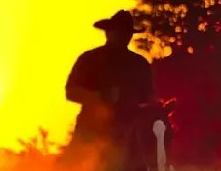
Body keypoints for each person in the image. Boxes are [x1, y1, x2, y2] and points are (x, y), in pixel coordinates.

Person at [65, 10, 154, 146]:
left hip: (128, 130)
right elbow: (71, 91)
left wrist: (128, 99)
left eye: (126, 32)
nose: (123, 36)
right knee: (73, 162)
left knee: (143, 160)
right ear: (108, 32)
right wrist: (99, 97)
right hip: (91, 129)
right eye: (119, 31)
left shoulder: (139, 64)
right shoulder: (89, 59)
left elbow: (148, 96)